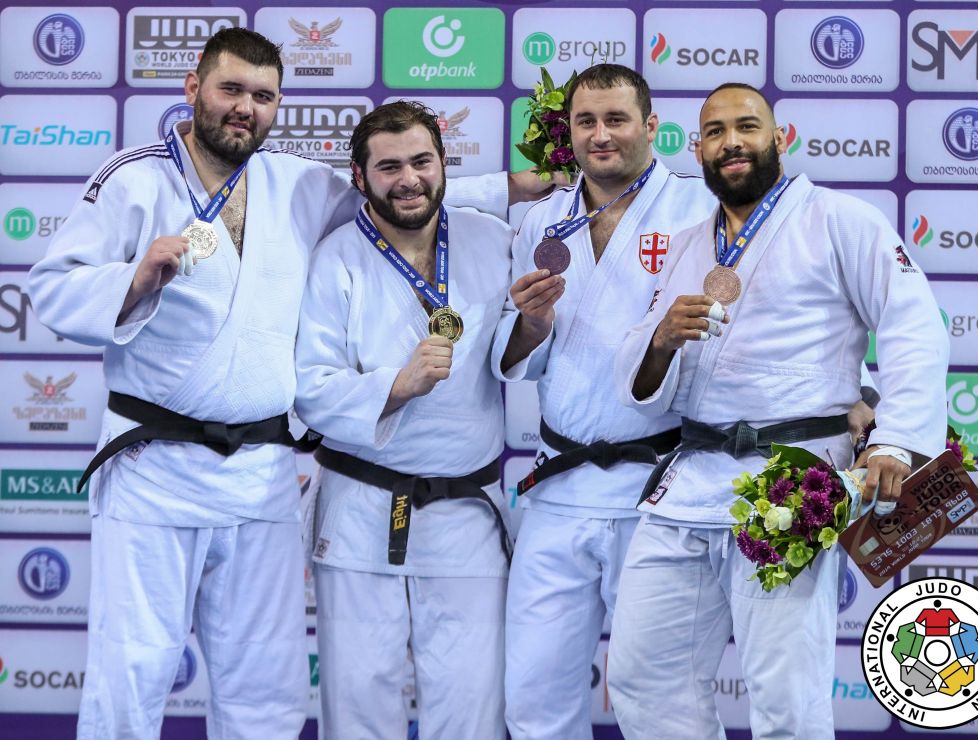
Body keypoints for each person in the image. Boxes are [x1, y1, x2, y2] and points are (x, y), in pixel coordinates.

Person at [26, 28, 550, 740]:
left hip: (262, 476)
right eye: (231, 89)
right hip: (156, 470)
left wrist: (522, 184)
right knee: (134, 668)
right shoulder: (134, 178)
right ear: (193, 89)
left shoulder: (296, 184)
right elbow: (50, 289)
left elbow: (401, 194)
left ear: (278, 106)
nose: (245, 107)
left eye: (263, 96)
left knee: (265, 681)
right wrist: (133, 279)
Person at [607, 83, 949, 739]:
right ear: (698, 148)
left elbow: (914, 326)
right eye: (715, 131)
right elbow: (639, 373)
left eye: (747, 127)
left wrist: (894, 443)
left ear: (778, 139)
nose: (731, 142)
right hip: (689, 484)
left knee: (785, 696)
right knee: (643, 678)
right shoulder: (684, 245)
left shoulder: (839, 221)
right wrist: (660, 341)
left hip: (791, 485)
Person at [491, 64, 719, 740]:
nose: (601, 135)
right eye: (586, 121)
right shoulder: (543, 217)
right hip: (558, 488)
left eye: (617, 119)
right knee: (533, 698)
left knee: (660, 700)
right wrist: (529, 323)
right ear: (569, 132)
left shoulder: (698, 212)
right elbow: (519, 359)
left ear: (652, 127)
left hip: (657, 493)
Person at [294, 101, 513, 739]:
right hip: (361, 509)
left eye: (421, 161)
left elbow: (522, 350)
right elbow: (311, 387)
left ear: (445, 165)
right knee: (357, 695)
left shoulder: (492, 241)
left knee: (471, 700)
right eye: (388, 167)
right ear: (360, 178)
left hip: (464, 511)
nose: (408, 178)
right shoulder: (334, 258)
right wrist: (396, 385)